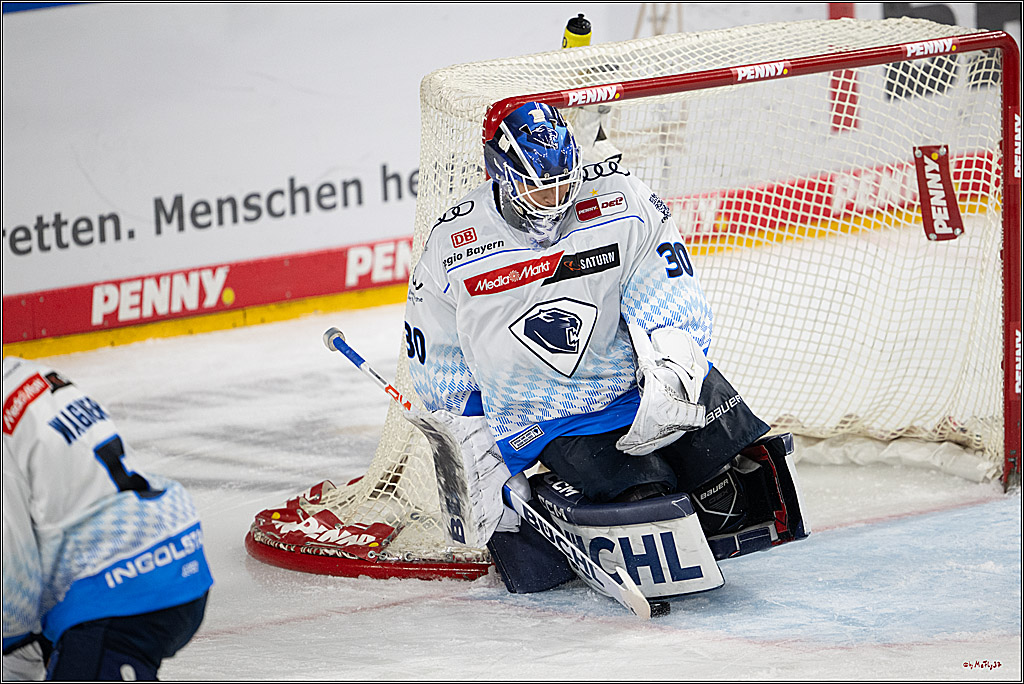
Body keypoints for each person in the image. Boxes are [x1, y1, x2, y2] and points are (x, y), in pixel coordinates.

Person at [405, 102, 794, 594]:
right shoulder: (453, 243)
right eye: (540, 187)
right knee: (648, 497)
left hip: (635, 386)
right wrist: (475, 438)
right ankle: (559, 501)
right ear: (500, 173)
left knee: (741, 475)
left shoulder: (619, 198)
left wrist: (672, 363)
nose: (555, 200)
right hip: (545, 418)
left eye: (565, 184)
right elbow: (432, 350)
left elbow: (665, 281)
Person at [2, 356, 213, 680]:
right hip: (177, 554)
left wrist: (14, 652)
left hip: (122, 593)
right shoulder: (22, 374)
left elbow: (15, 579)